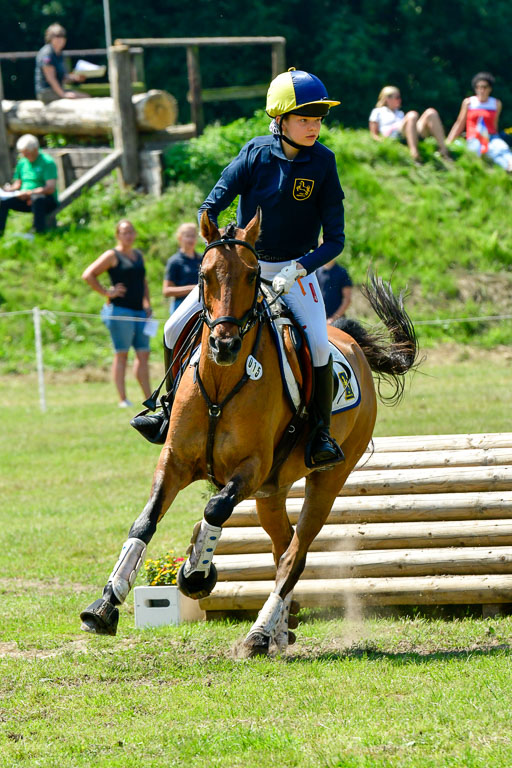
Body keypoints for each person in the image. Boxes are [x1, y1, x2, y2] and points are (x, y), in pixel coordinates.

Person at [132, 68, 346, 468]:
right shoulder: (255, 153)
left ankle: (320, 434)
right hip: (242, 269)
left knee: (318, 343)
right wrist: (210, 223)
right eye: (305, 118)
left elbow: (335, 240)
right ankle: (166, 408)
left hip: (294, 273)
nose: (313, 126)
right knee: (173, 327)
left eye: (317, 119)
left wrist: (300, 268)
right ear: (279, 120)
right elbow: (212, 201)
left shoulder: (324, 163)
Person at [82, 220, 152, 408]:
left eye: (131, 231)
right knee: (122, 354)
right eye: (124, 232)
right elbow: (88, 274)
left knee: (143, 354)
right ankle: (123, 399)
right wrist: (107, 292)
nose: (128, 235)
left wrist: (147, 303)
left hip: (140, 311)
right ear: (118, 235)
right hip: (120, 310)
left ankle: (148, 397)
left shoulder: (138, 255)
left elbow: (143, 281)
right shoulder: (112, 255)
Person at [446, 72, 512, 173]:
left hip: (491, 136)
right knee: (479, 150)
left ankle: (508, 168)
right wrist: (448, 142)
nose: (481, 90)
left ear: (490, 88)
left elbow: (494, 124)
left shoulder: (496, 103)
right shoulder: (469, 102)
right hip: (474, 137)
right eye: (478, 87)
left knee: (501, 148)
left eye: (484, 87)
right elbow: (460, 123)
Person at [369, 86, 451, 164]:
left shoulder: (399, 113)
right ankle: (414, 154)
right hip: (393, 135)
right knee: (412, 115)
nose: (400, 100)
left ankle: (444, 150)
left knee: (431, 112)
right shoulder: (378, 112)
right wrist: (379, 140)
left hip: (406, 132)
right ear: (387, 99)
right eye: (397, 97)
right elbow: (373, 133)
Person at [0, 134, 58, 236]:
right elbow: (17, 184)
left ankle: (38, 233)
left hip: (45, 200)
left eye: (27, 153)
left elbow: (50, 188)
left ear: (36, 149)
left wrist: (30, 193)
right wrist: (7, 190)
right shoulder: (22, 162)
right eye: (23, 154)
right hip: (24, 198)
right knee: (2, 201)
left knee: (37, 198)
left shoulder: (47, 162)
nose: (25, 156)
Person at [35, 23, 87, 104]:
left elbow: (63, 78)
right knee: (82, 98)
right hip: (46, 92)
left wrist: (75, 78)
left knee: (85, 96)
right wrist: (63, 94)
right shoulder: (47, 53)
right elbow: (51, 78)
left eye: (63, 36)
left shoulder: (60, 54)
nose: (61, 39)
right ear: (50, 38)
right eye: (57, 36)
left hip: (57, 90)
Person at [163, 222, 203, 313]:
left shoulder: (202, 259)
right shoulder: (174, 261)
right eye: (188, 236)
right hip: (181, 306)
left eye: (193, 236)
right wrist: (194, 288)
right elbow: (166, 291)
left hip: (200, 305)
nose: (191, 239)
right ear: (180, 238)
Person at [316, 259, 352, 324]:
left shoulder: (342, 272)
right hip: (319, 321)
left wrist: (333, 319)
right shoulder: (316, 272)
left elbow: (347, 299)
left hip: (338, 321)